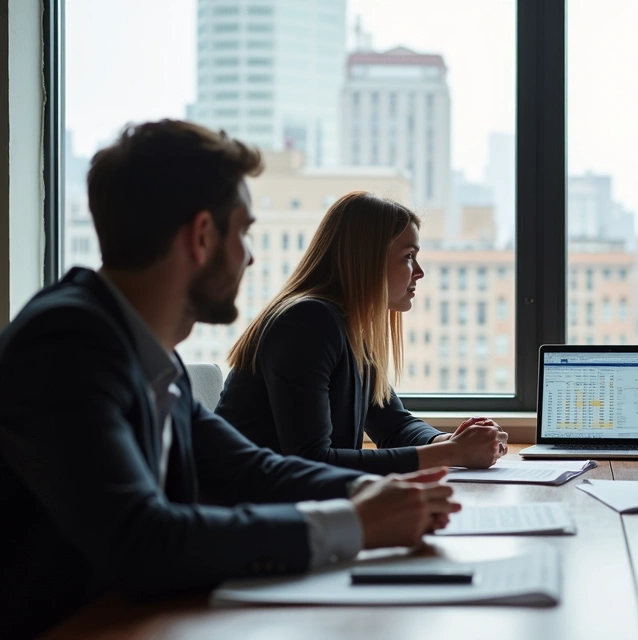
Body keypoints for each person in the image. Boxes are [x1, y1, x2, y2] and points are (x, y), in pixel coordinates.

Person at [0, 121, 460, 639]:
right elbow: (143, 541)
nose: (250, 255)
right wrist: (356, 523)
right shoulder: (65, 345)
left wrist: (376, 491)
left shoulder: (147, 354)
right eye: (242, 231)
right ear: (201, 236)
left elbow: (253, 469)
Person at [216, 192, 508, 474]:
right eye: (408, 256)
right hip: (248, 510)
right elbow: (312, 461)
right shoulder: (308, 322)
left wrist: (451, 441)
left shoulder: (349, 328)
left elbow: (394, 426)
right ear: (368, 260)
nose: (419, 272)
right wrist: (451, 453)